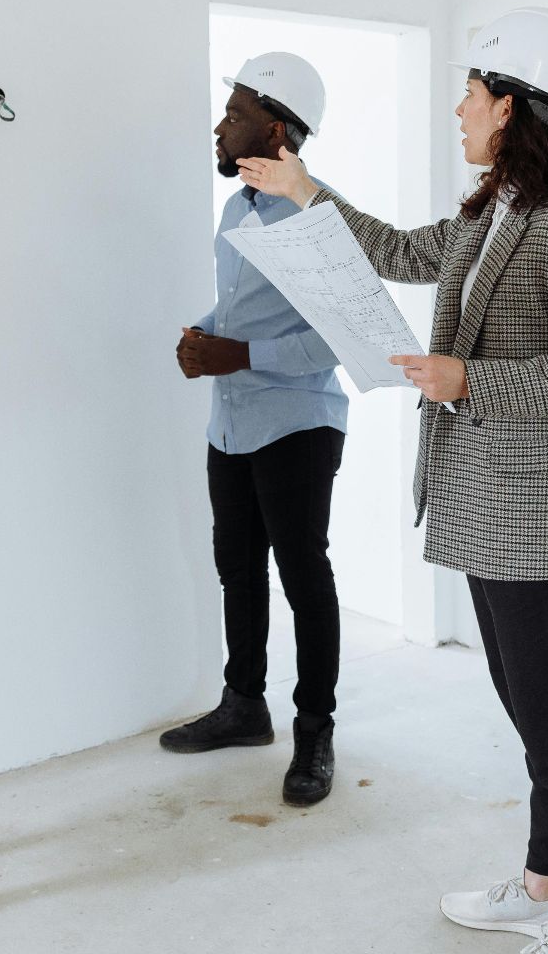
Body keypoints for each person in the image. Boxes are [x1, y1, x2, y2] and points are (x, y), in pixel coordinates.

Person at [236, 8, 548, 954]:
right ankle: (545, 879)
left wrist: (468, 378)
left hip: (540, 518)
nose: (456, 108)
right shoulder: (491, 208)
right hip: (488, 507)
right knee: (535, 715)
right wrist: (305, 191)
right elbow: (408, 254)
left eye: (469, 91)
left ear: (509, 105)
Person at [160, 52, 348, 808]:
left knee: (304, 578)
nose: (219, 124)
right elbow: (238, 311)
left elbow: (335, 340)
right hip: (232, 422)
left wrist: (235, 353)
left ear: (275, 130)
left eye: (233, 114)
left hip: (298, 424)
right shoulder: (238, 209)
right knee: (237, 567)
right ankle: (245, 707)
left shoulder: (317, 218)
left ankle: (315, 731)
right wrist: (202, 336)